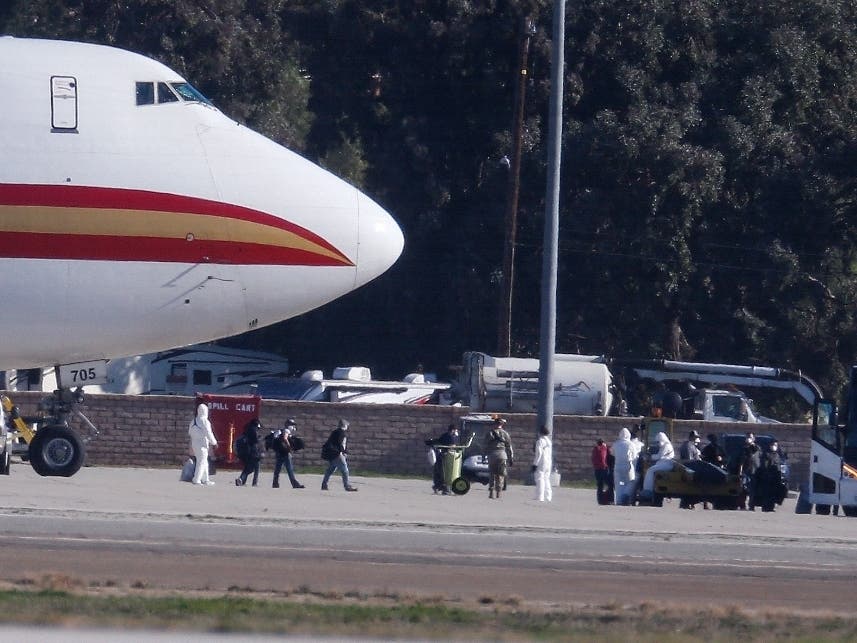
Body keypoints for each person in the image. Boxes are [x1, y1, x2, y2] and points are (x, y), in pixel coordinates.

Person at [321, 418, 357, 492]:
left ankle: (324, 484)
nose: (347, 427)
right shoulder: (342, 433)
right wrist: (343, 452)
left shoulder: (335, 432)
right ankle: (347, 486)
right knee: (345, 470)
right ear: (344, 425)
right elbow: (340, 444)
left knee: (331, 469)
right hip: (337, 454)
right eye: (347, 425)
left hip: (331, 454)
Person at [483, 417, 514, 499]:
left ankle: (491, 492)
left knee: (492, 473)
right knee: (500, 474)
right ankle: (498, 493)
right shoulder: (505, 434)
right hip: (502, 455)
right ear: (502, 424)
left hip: (492, 454)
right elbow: (509, 447)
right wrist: (511, 458)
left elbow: (485, 445)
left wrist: (483, 456)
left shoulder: (489, 433)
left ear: (494, 424)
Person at [425, 423, 460, 494]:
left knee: (439, 472)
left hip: (441, 456)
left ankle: (438, 486)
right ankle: (445, 489)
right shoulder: (451, 437)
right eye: (455, 430)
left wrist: (431, 442)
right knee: (446, 473)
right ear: (453, 430)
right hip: (447, 457)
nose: (456, 432)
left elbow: (438, 441)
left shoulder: (444, 435)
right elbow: (452, 446)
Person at [188, 403, 217, 485]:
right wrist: (214, 443)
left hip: (195, 444)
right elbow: (209, 433)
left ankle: (206, 479)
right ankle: (196, 479)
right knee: (201, 462)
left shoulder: (194, 421)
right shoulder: (205, 421)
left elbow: (189, 432)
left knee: (204, 462)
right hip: (202, 445)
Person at [271, 417, 305, 489]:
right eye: (292, 425)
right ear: (288, 425)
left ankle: (275, 483)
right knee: (290, 469)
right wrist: (289, 446)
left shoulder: (282, 430)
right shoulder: (287, 430)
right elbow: (285, 438)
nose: (293, 426)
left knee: (277, 469)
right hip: (285, 453)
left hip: (279, 452)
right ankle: (295, 484)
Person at [612, 427, 641, 505]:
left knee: (618, 484)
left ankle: (619, 500)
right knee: (630, 482)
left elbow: (612, 453)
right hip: (628, 466)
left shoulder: (616, 444)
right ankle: (625, 496)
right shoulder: (631, 444)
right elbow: (635, 456)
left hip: (617, 466)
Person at [642, 431, 675, 496]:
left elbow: (659, 456)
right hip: (663, 463)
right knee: (650, 470)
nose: (658, 444)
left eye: (658, 442)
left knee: (650, 470)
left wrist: (650, 457)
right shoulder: (664, 446)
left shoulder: (667, 446)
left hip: (667, 464)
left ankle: (648, 490)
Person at [235, 418, 263, 487]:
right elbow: (255, 440)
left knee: (248, 467)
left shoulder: (247, 429)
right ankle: (253, 482)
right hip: (253, 451)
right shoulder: (253, 430)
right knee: (254, 467)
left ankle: (242, 481)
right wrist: (259, 438)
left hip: (245, 451)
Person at [678, 430, 701, 508]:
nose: (696, 439)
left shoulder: (690, 445)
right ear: (691, 437)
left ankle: (688, 503)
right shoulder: (689, 445)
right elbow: (689, 458)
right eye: (695, 437)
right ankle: (687, 503)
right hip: (691, 467)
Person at [739, 432, 761, 510]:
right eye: (747, 437)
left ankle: (751, 505)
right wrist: (741, 472)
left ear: (753, 439)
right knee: (743, 489)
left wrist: (752, 445)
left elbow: (756, 453)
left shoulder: (757, 448)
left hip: (754, 471)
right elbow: (741, 461)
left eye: (750, 437)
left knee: (753, 490)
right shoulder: (743, 449)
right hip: (746, 471)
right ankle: (742, 505)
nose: (748, 438)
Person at [532, 426, 553, 502]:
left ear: (540, 432)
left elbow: (539, 453)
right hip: (548, 462)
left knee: (540, 479)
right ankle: (548, 496)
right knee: (546, 479)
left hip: (541, 462)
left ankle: (540, 496)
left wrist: (535, 464)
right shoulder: (549, 442)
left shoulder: (540, 441)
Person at [591, 438, 610, 504]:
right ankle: (607, 499)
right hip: (603, 468)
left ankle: (600, 500)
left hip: (597, 469)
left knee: (599, 485)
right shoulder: (604, 448)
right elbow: (606, 457)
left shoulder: (595, 449)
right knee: (609, 484)